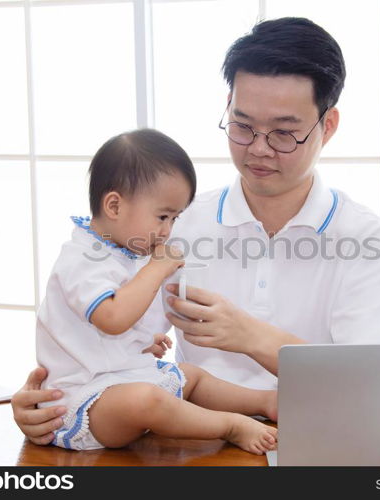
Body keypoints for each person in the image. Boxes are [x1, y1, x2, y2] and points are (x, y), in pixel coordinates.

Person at [12, 17, 380, 445]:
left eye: (283, 133)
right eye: (242, 125)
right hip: (188, 440)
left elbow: (375, 389)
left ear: (327, 126)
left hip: (326, 439)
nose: (258, 148)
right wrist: (46, 400)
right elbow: (102, 326)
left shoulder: (369, 240)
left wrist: (252, 336)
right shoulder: (175, 222)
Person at [34, 128, 277, 454]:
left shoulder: (120, 251)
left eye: (175, 218)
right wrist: (156, 268)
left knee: (192, 375)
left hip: (118, 380)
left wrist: (141, 342)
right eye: (162, 216)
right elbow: (113, 317)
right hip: (83, 400)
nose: (167, 231)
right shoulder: (81, 257)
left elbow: (105, 329)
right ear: (114, 206)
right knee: (146, 400)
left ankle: (265, 401)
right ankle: (230, 425)